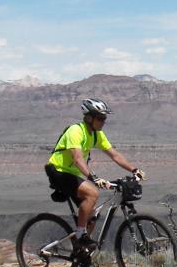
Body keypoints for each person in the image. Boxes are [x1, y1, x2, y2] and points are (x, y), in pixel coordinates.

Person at [45, 98, 143, 249]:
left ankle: (82, 253)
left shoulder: (97, 134)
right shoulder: (75, 131)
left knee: (92, 216)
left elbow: (114, 155)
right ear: (89, 117)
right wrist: (93, 178)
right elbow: (78, 159)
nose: (103, 121)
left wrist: (134, 169)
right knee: (92, 193)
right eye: (100, 118)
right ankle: (80, 236)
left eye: (105, 118)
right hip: (58, 171)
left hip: (72, 174)